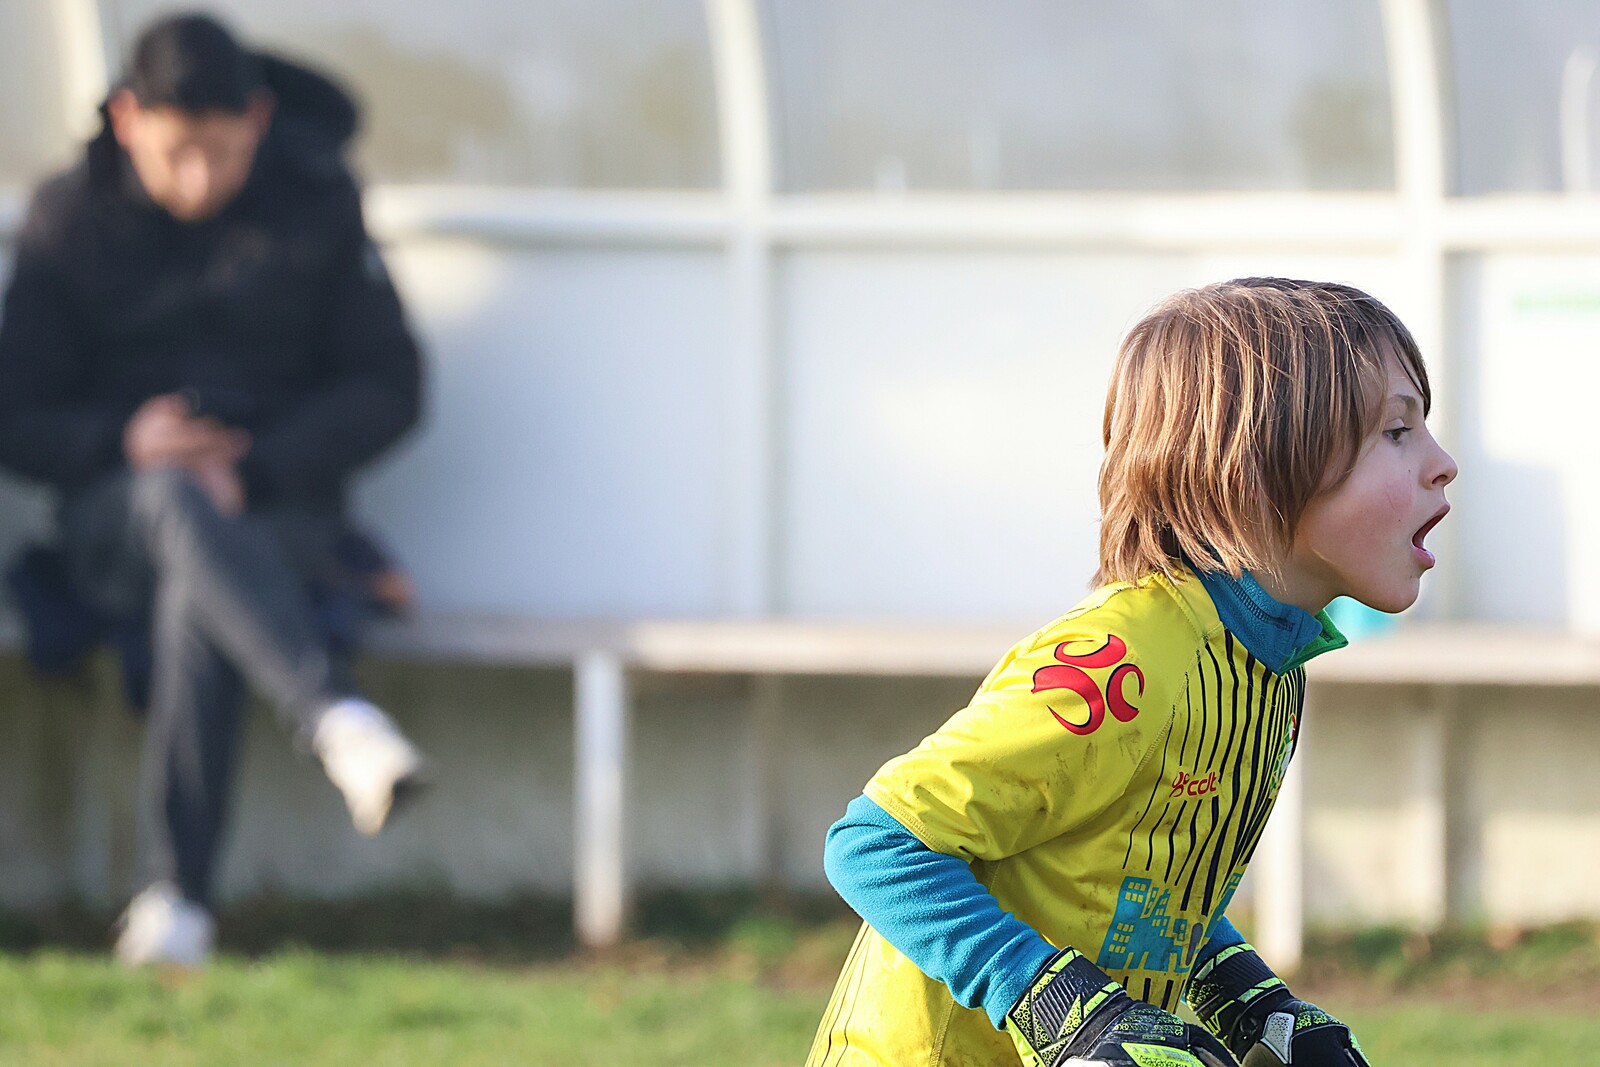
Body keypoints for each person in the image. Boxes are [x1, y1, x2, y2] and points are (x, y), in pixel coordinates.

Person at [805, 278, 1457, 1067]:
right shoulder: (1124, 661)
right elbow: (875, 844)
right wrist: (1049, 999)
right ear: (1255, 468)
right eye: (1398, 430)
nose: (1442, 463)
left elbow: (1143, 884)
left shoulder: (1271, 668)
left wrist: (1250, 999)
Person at [0, 12, 427, 966]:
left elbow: (391, 385)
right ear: (125, 120)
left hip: (275, 513)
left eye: (223, 154)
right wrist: (123, 439)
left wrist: (255, 467)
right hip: (115, 523)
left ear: (261, 121)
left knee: (202, 583)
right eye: (176, 155)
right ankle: (335, 715)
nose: (200, 181)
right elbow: (12, 410)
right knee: (167, 499)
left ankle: (178, 906)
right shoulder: (67, 220)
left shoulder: (317, 204)